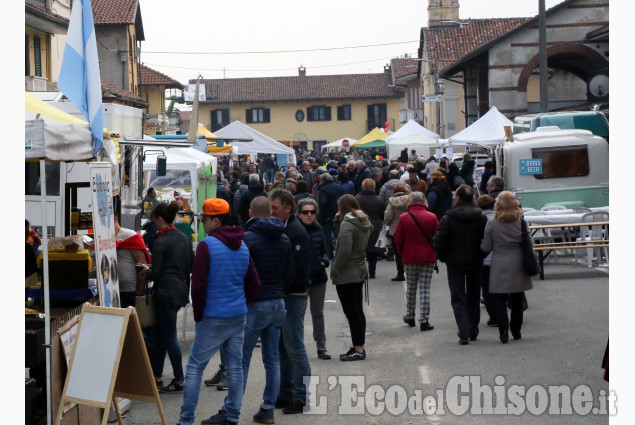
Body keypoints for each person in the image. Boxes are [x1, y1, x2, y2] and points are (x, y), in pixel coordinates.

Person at [178, 198, 260, 425]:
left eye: (204, 218)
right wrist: (241, 302)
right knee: (235, 366)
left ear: (216, 219)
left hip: (213, 315)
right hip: (237, 314)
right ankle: (232, 415)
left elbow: (199, 285)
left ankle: (186, 420)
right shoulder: (242, 245)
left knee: (195, 367)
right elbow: (254, 283)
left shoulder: (207, 245)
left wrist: (198, 315)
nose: (202, 222)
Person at [242, 197, 294, 424]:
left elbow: (242, 273)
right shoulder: (284, 238)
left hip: (256, 303)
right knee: (272, 358)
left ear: (250, 212)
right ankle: (268, 407)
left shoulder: (248, 239)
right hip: (277, 301)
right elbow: (290, 272)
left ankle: (232, 405)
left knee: (241, 357)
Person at [268, 189, 312, 414]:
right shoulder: (285, 228)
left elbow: (296, 270)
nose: (271, 211)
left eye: (275, 208)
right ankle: (285, 394)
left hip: (293, 296)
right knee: (282, 347)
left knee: (294, 347)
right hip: (284, 295)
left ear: (288, 208)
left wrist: (279, 289)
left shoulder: (296, 232)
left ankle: (300, 396)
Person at [141, 201, 192, 391]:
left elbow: (156, 273)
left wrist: (146, 269)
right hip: (180, 290)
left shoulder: (160, 242)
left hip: (164, 293)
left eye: (154, 220)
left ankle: (179, 378)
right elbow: (190, 265)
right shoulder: (183, 238)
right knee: (164, 334)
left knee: (168, 335)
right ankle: (157, 375)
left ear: (159, 219)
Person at [432, 185, 488, 345]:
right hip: (476, 260)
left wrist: (443, 257)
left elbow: (439, 240)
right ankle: (473, 329)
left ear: (458, 198)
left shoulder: (448, 217)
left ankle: (463, 331)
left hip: (455, 261)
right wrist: (482, 254)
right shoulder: (481, 216)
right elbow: (487, 239)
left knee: (458, 297)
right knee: (474, 295)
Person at [480, 192, 534, 343]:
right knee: (517, 298)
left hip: (499, 261)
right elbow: (529, 243)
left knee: (498, 296)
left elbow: (487, 246)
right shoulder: (521, 222)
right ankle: (516, 330)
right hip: (518, 262)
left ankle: (503, 327)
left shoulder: (492, 223)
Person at [331, 195, 371, 361]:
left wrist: (335, 268)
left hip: (348, 272)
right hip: (359, 268)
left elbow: (344, 249)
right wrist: (337, 223)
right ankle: (358, 345)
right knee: (357, 311)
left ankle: (358, 348)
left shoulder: (348, 224)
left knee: (352, 312)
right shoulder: (362, 221)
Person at [393, 191, 439, 331]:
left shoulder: (404, 217)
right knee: (425, 287)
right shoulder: (432, 217)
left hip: (410, 256)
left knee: (411, 287)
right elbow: (437, 237)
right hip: (428, 256)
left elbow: (398, 238)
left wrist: (403, 253)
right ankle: (424, 320)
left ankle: (410, 315)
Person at [297, 198, 332, 360]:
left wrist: (325, 260)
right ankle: (297, 347)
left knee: (317, 313)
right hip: (301, 279)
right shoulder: (295, 231)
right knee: (298, 315)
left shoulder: (319, 229)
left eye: (312, 212)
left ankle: (321, 346)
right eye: (305, 212)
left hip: (318, 277)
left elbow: (324, 250)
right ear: (299, 214)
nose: (309, 215)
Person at [114, 211, 151, 308]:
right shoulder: (104, 238)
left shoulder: (129, 235)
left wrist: (139, 291)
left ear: (114, 218)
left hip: (130, 291)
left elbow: (142, 264)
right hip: (113, 290)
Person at [355, 178, 385, 279]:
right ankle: (372, 272)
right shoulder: (379, 199)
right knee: (372, 251)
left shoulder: (357, 198)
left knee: (360, 250)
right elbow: (382, 215)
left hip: (360, 224)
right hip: (375, 225)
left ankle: (360, 271)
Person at [476, 195, 498, 327]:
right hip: (500, 257)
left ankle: (494, 317)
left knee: (487, 289)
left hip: (484, 259)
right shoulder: (499, 218)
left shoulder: (478, 219)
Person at [383, 184, 411, 281]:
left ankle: (400, 273)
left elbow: (388, 217)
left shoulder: (392, 202)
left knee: (398, 253)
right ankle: (411, 271)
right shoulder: (410, 200)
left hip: (396, 229)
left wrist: (388, 223)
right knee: (409, 250)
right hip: (409, 228)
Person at [317, 173, 345, 259]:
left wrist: (325, 215)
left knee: (327, 236)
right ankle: (342, 254)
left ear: (323, 180)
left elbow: (323, 203)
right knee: (340, 235)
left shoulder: (323, 189)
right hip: (339, 214)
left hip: (328, 217)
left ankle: (329, 254)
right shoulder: (339, 187)